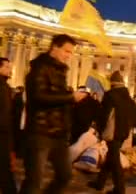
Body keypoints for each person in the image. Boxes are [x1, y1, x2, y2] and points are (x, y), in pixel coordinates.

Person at [20, 34, 87, 194]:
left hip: (58, 133)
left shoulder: (60, 72)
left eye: (71, 53)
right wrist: (71, 97)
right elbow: (38, 97)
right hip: (40, 132)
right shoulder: (39, 69)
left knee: (65, 175)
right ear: (54, 48)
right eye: (66, 51)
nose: (69, 56)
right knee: (34, 181)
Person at [88, 71, 135, 194]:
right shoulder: (128, 97)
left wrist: (99, 129)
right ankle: (100, 183)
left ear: (112, 83)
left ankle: (119, 189)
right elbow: (134, 115)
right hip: (123, 132)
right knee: (110, 157)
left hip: (112, 132)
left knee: (114, 161)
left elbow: (104, 115)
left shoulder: (110, 95)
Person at [0, 57, 17, 194]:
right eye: (6, 67)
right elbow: (4, 114)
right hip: (2, 134)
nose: (10, 70)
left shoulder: (4, 86)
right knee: (5, 168)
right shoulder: (3, 87)